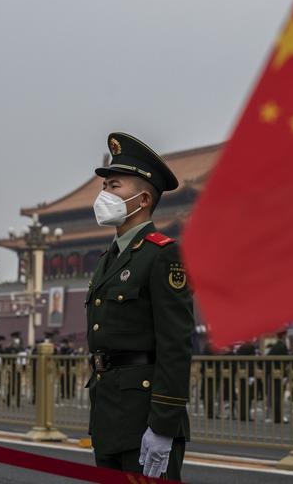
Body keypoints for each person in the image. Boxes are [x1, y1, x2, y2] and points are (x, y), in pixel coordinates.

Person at [86, 132, 194, 479]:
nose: (104, 196)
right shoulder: (109, 259)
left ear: (143, 198)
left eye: (114, 186)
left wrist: (163, 425)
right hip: (108, 415)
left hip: (144, 417)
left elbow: (175, 344)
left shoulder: (162, 255)